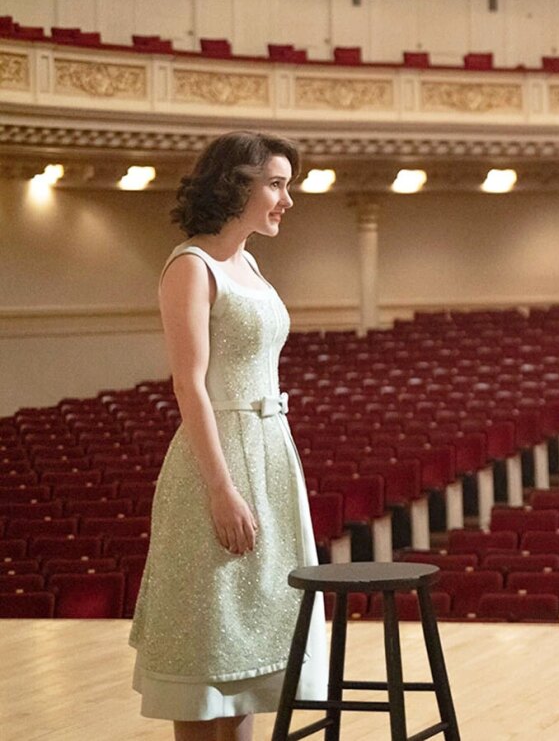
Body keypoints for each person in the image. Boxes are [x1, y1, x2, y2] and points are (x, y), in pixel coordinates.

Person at [129, 131, 327, 741]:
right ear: (234, 184)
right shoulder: (191, 265)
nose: (286, 200)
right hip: (217, 464)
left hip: (269, 454)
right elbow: (189, 385)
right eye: (275, 184)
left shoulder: (248, 261)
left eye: (286, 184)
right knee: (207, 644)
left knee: (243, 654)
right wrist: (221, 489)